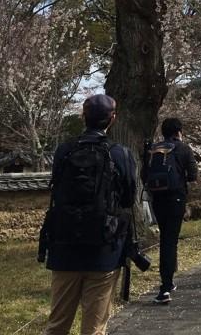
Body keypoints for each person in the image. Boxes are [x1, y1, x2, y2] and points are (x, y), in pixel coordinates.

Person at [41, 94, 136, 335]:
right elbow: (127, 198)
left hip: (64, 245)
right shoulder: (120, 154)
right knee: (94, 327)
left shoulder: (63, 151)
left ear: (83, 117)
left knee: (57, 324)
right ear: (112, 119)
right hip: (103, 248)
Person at [141, 117, 198, 305]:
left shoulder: (153, 149)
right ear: (178, 131)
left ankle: (169, 282)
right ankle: (165, 287)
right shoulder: (183, 148)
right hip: (176, 198)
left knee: (166, 237)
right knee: (169, 241)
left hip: (158, 199)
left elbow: (144, 175)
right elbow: (193, 175)